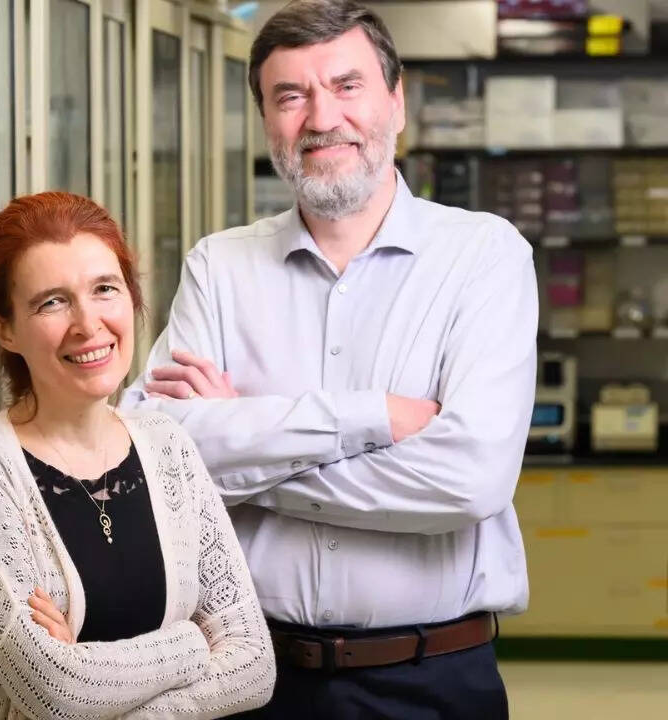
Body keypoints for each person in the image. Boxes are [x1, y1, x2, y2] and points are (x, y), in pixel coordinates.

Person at [122, 1, 537, 717]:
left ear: (396, 101)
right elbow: (155, 458)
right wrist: (369, 418)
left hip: (431, 681)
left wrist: (246, 453)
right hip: (252, 680)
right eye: (290, 96)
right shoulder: (219, 268)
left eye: (347, 86)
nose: (321, 118)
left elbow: (470, 482)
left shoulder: (484, 256)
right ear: (266, 119)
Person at [0, 192, 275, 719]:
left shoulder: (167, 446)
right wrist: (191, 644)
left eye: (105, 289)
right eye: (52, 302)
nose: (88, 324)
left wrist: (88, 670)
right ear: (5, 329)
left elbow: (253, 668)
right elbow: (55, 691)